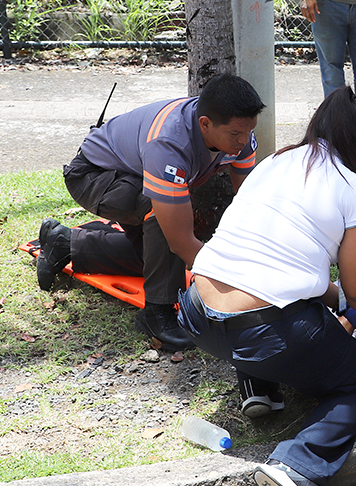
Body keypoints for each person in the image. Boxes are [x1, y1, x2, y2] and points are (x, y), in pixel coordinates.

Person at [176, 89, 356, 486]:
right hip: (264, 333)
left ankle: (258, 387)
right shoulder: (353, 188)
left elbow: (284, 262)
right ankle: (298, 465)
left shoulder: (275, 162)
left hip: (195, 312)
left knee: (288, 319)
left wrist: (340, 296)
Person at [35, 74, 264, 350]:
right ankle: (157, 313)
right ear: (205, 124)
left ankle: (67, 244)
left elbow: (250, 198)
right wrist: (232, 283)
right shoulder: (170, 143)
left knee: (163, 261)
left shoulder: (235, 134)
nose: (245, 140)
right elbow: (180, 241)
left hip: (133, 174)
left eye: (250, 130)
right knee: (161, 219)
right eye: (236, 134)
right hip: (92, 175)